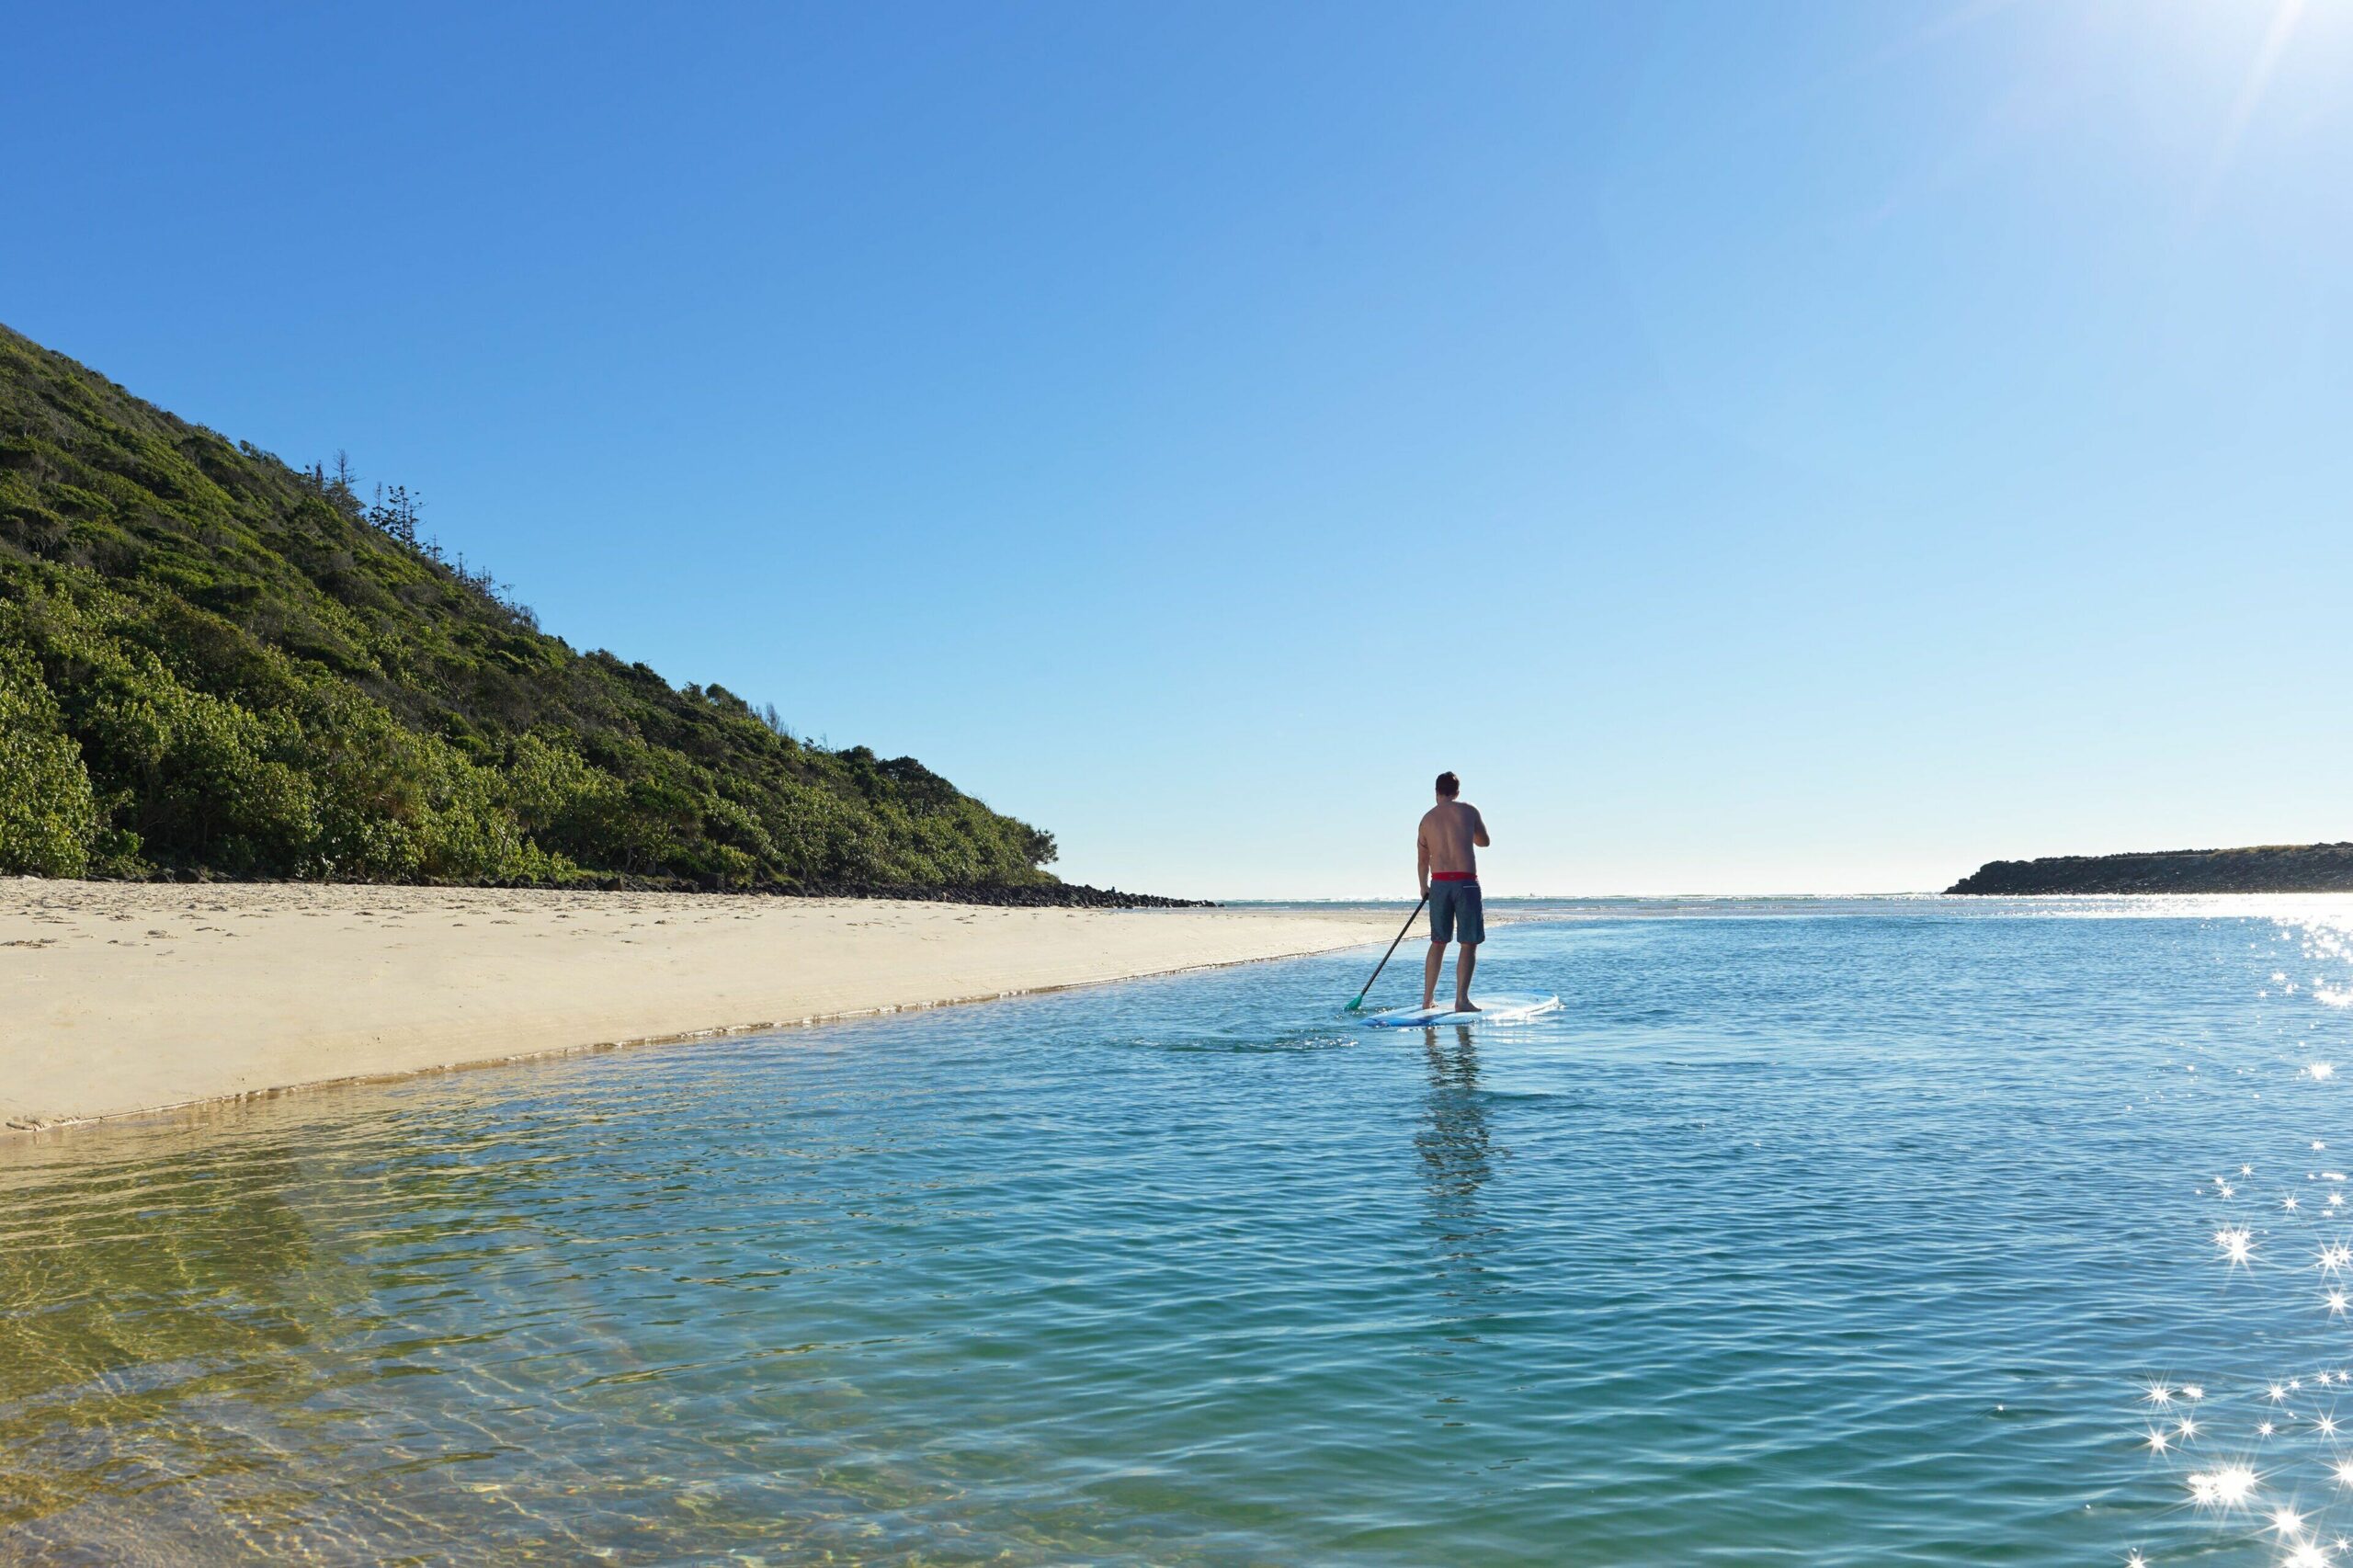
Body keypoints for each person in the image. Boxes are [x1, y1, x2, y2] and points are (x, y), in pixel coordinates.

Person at [1417, 771, 1490, 1012]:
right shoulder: (1468, 811)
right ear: (1457, 792)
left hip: (1438, 883)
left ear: (1436, 792)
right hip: (1466, 882)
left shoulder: (1426, 819)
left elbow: (1422, 861)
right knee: (1468, 942)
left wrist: (1423, 887)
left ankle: (1427, 1000)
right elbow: (1484, 841)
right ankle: (1461, 1000)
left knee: (1438, 942)